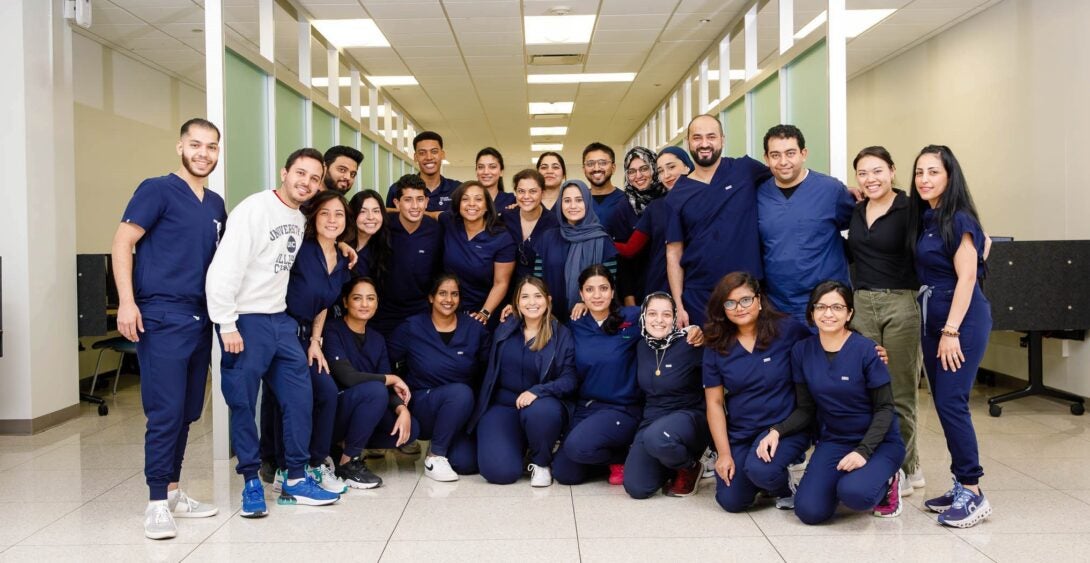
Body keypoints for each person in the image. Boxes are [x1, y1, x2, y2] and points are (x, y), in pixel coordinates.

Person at [206, 148, 341, 518]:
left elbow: (319, 245)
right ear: (285, 172)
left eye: (315, 178)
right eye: (301, 173)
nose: (307, 183)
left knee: (299, 397)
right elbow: (225, 268)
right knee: (243, 401)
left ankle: (295, 479)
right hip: (245, 319)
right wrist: (227, 322)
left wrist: (341, 243)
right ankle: (251, 481)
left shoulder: (299, 218)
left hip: (279, 320)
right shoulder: (254, 209)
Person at [112, 118, 225, 540]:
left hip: (200, 317)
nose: (203, 153)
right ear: (180, 146)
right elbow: (123, 242)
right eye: (195, 145)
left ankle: (174, 492)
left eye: (211, 147)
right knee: (165, 411)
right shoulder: (156, 189)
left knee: (188, 411)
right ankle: (157, 502)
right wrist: (127, 301)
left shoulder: (215, 204)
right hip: (161, 315)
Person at [761, 281, 905, 525]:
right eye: (821, 307)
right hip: (835, 440)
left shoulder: (867, 350)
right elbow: (806, 409)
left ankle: (890, 480)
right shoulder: (802, 351)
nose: (828, 314)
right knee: (809, 511)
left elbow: (885, 408)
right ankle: (846, 482)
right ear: (812, 312)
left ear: (849, 313)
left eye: (837, 307)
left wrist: (863, 452)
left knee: (856, 494)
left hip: (878, 442)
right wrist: (777, 430)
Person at [909, 145, 993, 528]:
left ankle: (973, 492)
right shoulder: (930, 216)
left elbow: (969, 276)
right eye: (919, 172)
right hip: (934, 315)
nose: (924, 179)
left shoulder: (958, 217)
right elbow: (983, 245)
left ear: (949, 176)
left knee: (952, 401)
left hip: (960, 319)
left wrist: (951, 330)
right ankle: (961, 482)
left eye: (933, 172)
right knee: (944, 404)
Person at [848, 146, 924, 497]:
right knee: (869, 390)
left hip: (901, 303)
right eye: (863, 173)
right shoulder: (857, 210)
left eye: (877, 171)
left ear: (892, 171)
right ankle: (896, 460)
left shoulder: (913, 208)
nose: (870, 179)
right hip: (862, 304)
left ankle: (905, 467)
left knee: (900, 391)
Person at [701, 272, 812, 513]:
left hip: (785, 428)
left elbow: (826, 344)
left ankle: (783, 486)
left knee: (762, 470)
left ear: (759, 300)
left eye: (745, 300)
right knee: (731, 500)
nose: (739, 308)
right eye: (730, 303)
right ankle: (759, 475)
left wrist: (867, 350)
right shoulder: (716, 344)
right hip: (743, 432)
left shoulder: (787, 329)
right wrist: (723, 454)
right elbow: (715, 403)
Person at [274, 189, 355, 495]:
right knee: (299, 399)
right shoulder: (300, 249)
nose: (332, 220)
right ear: (313, 216)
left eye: (338, 214)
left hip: (308, 335)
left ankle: (315, 463)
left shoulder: (343, 259)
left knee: (327, 393)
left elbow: (323, 302)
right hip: (282, 329)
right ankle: (288, 469)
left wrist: (316, 340)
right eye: (325, 213)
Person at [469, 277, 578, 486]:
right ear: (516, 302)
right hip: (504, 405)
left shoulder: (561, 334)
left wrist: (538, 391)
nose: (532, 302)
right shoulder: (506, 327)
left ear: (548, 300)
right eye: (525, 297)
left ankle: (541, 462)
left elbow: (570, 379)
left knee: (539, 412)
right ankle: (520, 445)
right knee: (500, 473)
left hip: (542, 405)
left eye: (538, 296)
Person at [666, 115, 772, 327]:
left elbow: (785, 176)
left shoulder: (745, 169)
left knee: (750, 353)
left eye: (711, 137)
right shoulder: (677, 194)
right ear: (688, 143)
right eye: (697, 137)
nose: (704, 144)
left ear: (722, 139)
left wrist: (844, 190)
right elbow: (674, 252)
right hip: (700, 296)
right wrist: (678, 304)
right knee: (708, 357)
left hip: (747, 291)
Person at [388, 274, 490, 481]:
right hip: (422, 405)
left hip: (461, 410)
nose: (449, 299)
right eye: (442, 293)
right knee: (460, 392)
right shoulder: (411, 327)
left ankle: (441, 445)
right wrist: (398, 403)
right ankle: (435, 456)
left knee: (466, 463)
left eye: (454, 294)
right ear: (431, 297)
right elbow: (386, 364)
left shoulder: (474, 329)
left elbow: (487, 371)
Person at [551, 265, 642, 486]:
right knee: (565, 473)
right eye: (590, 290)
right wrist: (512, 311)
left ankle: (622, 456)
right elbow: (541, 321)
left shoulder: (633, 317)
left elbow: (666, 318)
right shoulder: (576, 323)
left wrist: (692, 331)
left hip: (623, 408)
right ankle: (610, 457)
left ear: (612, 291)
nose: (597, 295)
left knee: (577, 447)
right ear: (581, 294)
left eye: (603, 288)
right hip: (588, 407)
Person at [324, 277, 417, 489]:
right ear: (346, 302)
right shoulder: (332, 330)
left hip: (363, 409)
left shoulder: (376, 339)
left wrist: (403, 410)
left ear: (377, 303)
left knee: (413, 428)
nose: (365, 304)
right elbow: (347, 377)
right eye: (358, 298)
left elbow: (384, 382)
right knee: (375, 390)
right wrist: (391, 378)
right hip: (334, 413)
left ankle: (347, 447)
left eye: (370, 298)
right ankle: (348, 462)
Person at [757, 125, 855, 323]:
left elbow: (859, 225)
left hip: (827, 303)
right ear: (766, 159)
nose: (783, 162)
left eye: (790, 153)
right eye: (775, 155)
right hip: (778, 304)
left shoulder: (831, 190)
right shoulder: (758, 195)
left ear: (804, 153)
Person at [623, 292, 707, 499]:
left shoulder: (691, 343)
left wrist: (701, 332)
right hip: (653, 418)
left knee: (657, 438)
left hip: (688, 416)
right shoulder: (641, 346)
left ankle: (690, 467)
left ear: (675, 318)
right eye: (652, 313)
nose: (659, 320)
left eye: (666, 314)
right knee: (637, 487)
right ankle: (670, 461)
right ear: (643, 316)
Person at [611, 148, 694, 295]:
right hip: (658, 282)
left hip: (697, 279)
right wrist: (598, 239)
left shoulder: (705, 198)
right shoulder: (654, 207)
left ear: (687, 166)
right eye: (661, 170)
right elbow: (629, 250)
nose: (667, 175)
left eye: (671, 167)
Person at [533, 180, 618, 322]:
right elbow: (537, 281)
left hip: (590, 320)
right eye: (567, 201)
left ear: (588, 202)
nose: (573, 206)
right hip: (550, 319)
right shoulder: (547, 238)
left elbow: (608, 285)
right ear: (560, 204)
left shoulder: (603, 241)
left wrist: (585, 302)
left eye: (579, 200)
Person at [371, 174, 442, 337]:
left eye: (420, 199)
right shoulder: (382, 226)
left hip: (420, 311)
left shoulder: (436, 230)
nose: (415, 206)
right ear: (397, 203)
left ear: (426, 202)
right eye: (408, 199)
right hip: (384, 310)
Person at [438, 181, 516, 326]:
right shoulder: (449, 222)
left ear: (487, 205)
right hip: (449, 308)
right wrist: (387, 211)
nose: (471, 204)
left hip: (484, 312)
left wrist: (484, 312)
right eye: (465, 199)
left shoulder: (502, 238)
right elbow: (425, 214)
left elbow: (501, 283)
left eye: (478, 199)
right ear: (458, 204)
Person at [502, 169, 559, 284]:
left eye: (533, 191)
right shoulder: (506, 218)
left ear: (542, 193)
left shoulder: (554, 223)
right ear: (515, 193)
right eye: (521, 191)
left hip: (540, 290)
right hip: (507, 289)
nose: (526, 196)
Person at [384, 131, 461, 212]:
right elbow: (391, 220)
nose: (429, 157)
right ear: (415, 157)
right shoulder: (397, 189)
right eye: (422, 153)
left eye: (434, 151)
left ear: (442, 154)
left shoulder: (457, 189)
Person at [581, 142, 637, 242]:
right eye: (590, 164)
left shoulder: (628, 201)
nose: (597, 168)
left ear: (613, 167)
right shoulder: (578, 202)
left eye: (603, 163)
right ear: (584, 169)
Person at [345, 189, 391, 283]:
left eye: (376, 211)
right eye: (363, 211)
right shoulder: (341, 247)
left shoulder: (383, 247)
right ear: (352, 214)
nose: (370, 217)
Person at [622, 146, 665, 216]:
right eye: (632, 171)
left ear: (655, 168)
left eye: (644, 169)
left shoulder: (671, 197)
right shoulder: (622, 206)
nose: (638, 176)